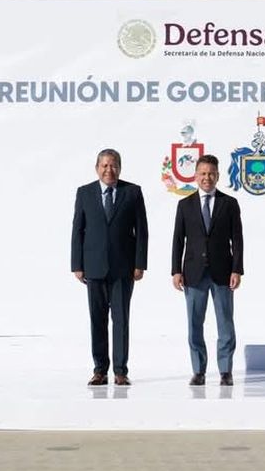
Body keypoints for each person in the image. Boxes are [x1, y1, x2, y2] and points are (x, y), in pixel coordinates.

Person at [71, 148, 148, 386]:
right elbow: (77, 230)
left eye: (113, 165)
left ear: (120, 168)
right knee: (97, 319)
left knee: (121, 320)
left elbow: (142, 231)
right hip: (93, 268)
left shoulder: (132, 192)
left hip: (123, 269)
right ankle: (100, 370)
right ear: (97, 168)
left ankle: (121, 371)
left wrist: (139, 264)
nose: (109, 170)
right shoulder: (84, 193)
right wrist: (77, 264)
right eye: (104, 165)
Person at [171, 154, 244, 387]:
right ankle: (199, 371)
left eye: (211, 173)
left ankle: (225, 371)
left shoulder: (229, 203)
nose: (207, 178)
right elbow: (177, 240)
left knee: (226, 324)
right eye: (202, 173)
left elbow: (237, 239)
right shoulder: (184, 205)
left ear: (218, 176)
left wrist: (237, 269)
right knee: (194, 324)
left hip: (223, 272)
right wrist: (176, 270)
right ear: (195, 175)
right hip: (193, 274)